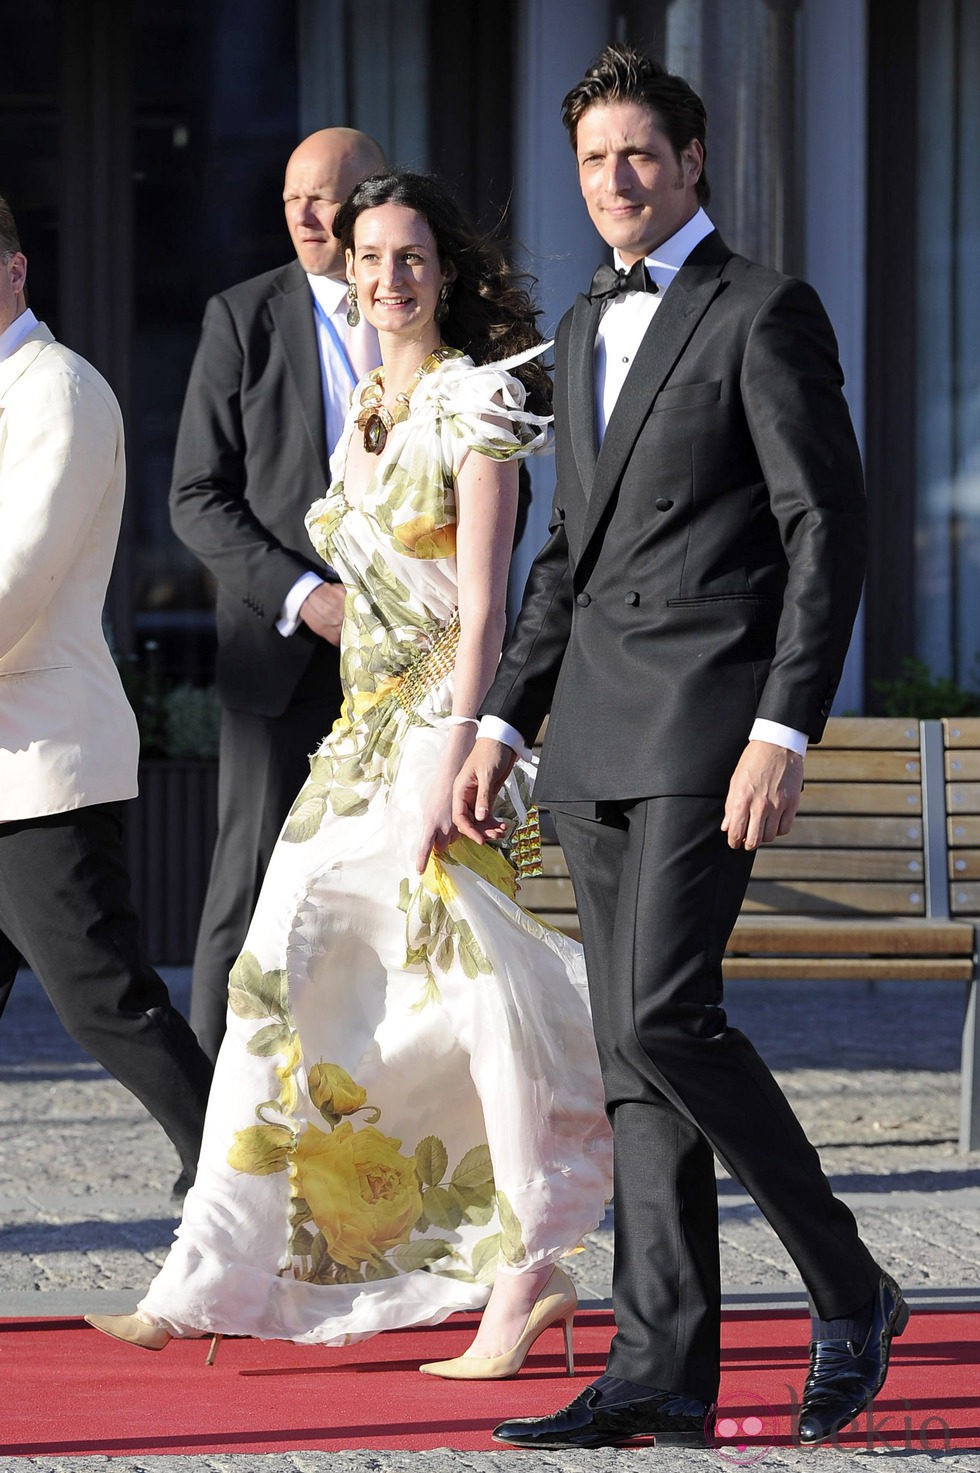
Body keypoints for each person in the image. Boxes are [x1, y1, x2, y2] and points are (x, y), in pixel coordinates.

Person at [453, 45, 907, 1451]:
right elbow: (564, 560)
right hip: (589, 729)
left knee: (663, 1015)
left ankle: (849, 1280)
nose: (616, 182)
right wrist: (500, 719)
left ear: (692, 162)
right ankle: (663, 1370)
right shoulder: (581, 329)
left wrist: (787, 723)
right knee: (631, 1062)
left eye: (639, 154)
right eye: (593, 161)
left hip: (711, 718)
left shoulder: (766, 312)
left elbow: (826, 529)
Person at [84, 169, 612, 1370]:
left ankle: (525, 1272)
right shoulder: (368, 401)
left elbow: (483, 613)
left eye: (411, 257)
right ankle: (202, 1274)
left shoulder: (476, 405)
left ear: (448, 271)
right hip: (353, 737)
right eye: (370, 258)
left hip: (435, 734)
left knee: (471, 1001)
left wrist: (464, 757)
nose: (387, 277)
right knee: (271, 984)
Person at [0, 195, 211, 1199]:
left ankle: (242, 1193)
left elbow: (21, 578)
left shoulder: (60, 391)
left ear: (14, 272)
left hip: (43, 761)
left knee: (105, 1003)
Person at [170, 127, 387, 1064]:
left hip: (408, 661)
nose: (304, 213)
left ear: (371, 196)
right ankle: (210, 1132)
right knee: (249, 889)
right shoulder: (241, 316)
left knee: (392, 890)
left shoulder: (425, 306)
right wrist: (307, 596)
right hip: (281, 655)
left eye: (325, 195)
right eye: (292, 196)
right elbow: (194, 498)